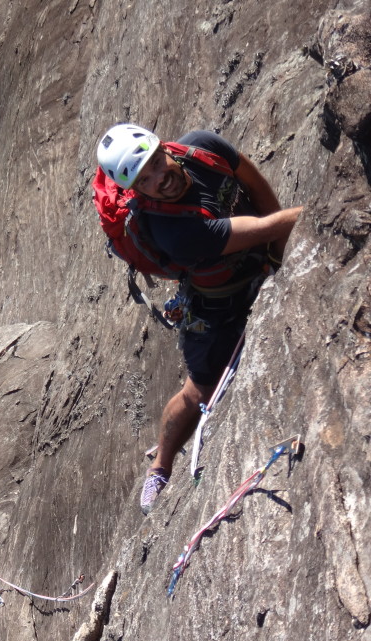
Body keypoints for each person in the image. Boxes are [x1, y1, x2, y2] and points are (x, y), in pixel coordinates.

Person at [96, 124, 303, 512]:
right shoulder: (175, 231)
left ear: (164, 148)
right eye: (146, 180)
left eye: (157, 162)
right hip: (218, 305)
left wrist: (278, 252)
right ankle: (160, 467)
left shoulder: (202, 147)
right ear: (136, 191)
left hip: (256, 261)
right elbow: (259, 229)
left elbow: (254, 184)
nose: (162, 178)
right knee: (199, 392)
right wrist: (293, 230)